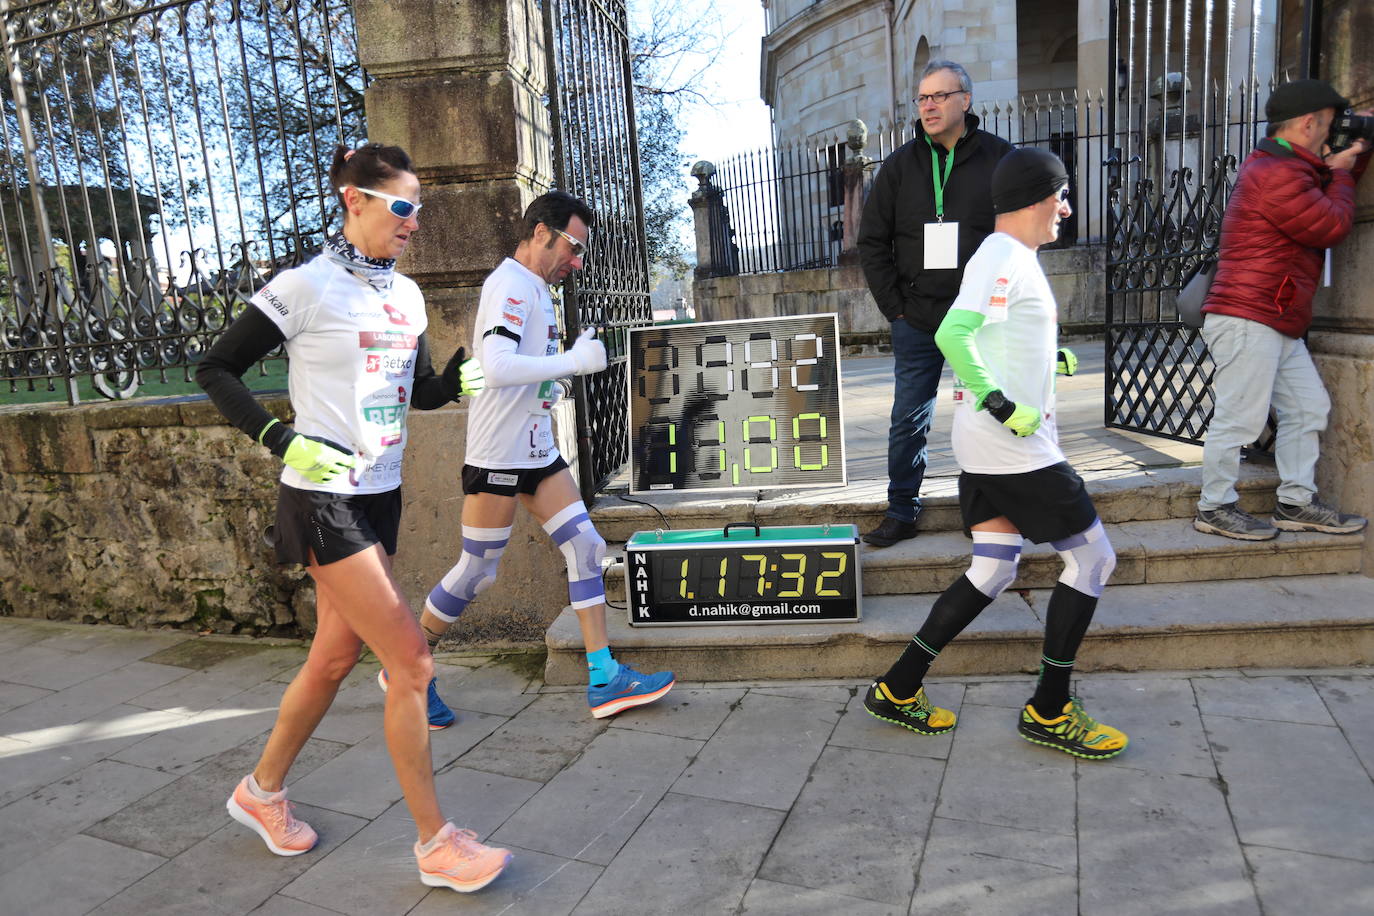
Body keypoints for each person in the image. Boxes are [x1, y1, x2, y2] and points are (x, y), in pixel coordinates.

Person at [196, 143, 511, 893]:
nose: (413, 222)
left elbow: (420, 393)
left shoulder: (405, 297)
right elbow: (216, 367)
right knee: (411, 663)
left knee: (333, 660)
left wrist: (455, 380)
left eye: (419, 210)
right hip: (321, 497)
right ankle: (437, 842)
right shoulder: (304, 287)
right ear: (354, 199)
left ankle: (261, 792)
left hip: (381, 494)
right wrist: (277, 436)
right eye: (401, 207)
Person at [862, 148, 1128, 761]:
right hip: (1015, 448)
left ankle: (898, 688)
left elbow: (990, 332)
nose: (1066, 207)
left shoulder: (1006, 256)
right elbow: (954, 332)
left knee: (994, 567)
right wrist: (1004, 403)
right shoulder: (1004, 255)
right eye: (1060, 195)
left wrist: (1041, 363)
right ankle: (1050, 710)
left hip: (989, 446)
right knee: (1092, 562)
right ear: (1036, 197)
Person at [402, 190, 674, 722]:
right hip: (499, 452)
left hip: (537, 450)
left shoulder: (535, 288)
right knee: (477, 571)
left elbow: (527, 371)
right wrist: (572, 361)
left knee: (587, 548)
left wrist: (557, 379)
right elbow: (497, 365)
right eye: (573, 248)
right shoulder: (509, 283)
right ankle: (407, 668)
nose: (577, 262)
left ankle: (604, 678)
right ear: (541, 233)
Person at [1193, 79, 1372, 541]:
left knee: (1308, 408)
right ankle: (1213, 507)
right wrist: (1345, 173)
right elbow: (1329, 224)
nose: (1330, 137)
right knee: (1239, 419)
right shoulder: (1274, 174)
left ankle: (1295, 503)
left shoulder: (1289, 167)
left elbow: (1325, 191)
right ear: (1309, 123)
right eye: (1329, 127)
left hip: (1274, 317)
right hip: (1249, 317)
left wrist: (1352, 155)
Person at [856, 60, 1014, 547]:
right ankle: (902, 510)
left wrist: (998, 301)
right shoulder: (900, 165)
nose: (928, 105)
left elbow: (1017, 237)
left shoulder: (1000, 159)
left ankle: (983, 512)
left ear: (965, 100)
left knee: (987, 416)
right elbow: (873, 241)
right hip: (917, 319)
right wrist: (895, 308)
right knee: (908, 419)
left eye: (939, 96)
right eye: (922, 98)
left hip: (978, 321)